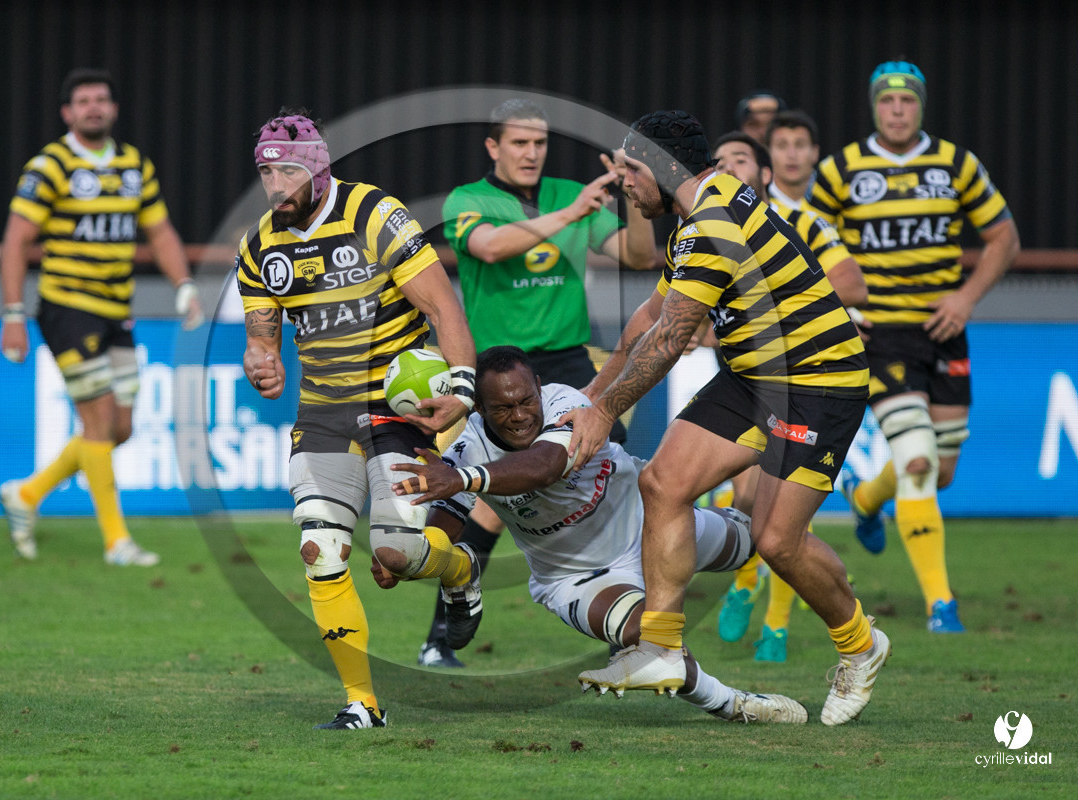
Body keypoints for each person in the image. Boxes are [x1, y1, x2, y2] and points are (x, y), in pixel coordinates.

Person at [564, 109, 890, 726]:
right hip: (754, 377)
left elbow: (669, 339)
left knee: (777, 542)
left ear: (664, 169)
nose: (624, 183)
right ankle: (660, 647)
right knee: (663, 483)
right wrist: (592, 395)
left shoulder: (713, 222)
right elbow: (649, 319)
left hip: (817, 382)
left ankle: (860, 645)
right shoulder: (696, 218)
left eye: (632, 170)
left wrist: (604, 413)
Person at [377, 346, 807, 723]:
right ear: (480, 410)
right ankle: (734, 705)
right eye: (503, 409)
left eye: (526, 400)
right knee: (649, 638)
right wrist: (413, 558)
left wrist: (462, 478)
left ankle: (839, 628)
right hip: (576, 578)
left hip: (654, 524)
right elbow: (445, 525)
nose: (520, 415)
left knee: (763, 541)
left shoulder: (567, 402)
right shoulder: (467, 450)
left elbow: (544, 465)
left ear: (539, 387)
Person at [236, 109, 479, 730]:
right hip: (323, 412)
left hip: (395, 410)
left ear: (318, 170)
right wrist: (261, 363)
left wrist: (462, 387)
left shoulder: (375, 214)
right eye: (267, 173)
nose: (276, 185)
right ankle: (362, 704)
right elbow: (261, 339)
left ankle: (460, 569)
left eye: (289, 172)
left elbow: (442, 306)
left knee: (395, 554)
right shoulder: (259, 246)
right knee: (320, 548)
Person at [418, 99, 657, 667]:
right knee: (484, 501)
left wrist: (634, 194)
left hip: (567, 364)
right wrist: (573, 214)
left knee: (612, 469)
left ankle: (623, 607)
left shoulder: (568, 194)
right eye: (519, 142)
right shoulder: (468, 200)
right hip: (497, 373)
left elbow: (640, 254)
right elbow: (490, 247)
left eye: (540, 143)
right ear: (493, 147)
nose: (531, 153)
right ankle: (440, 634)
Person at [808, 61, 1020, 633]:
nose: (897, 110)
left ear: (920, 106)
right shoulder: (840, 170)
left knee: (941, 471)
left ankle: (866, 500)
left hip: (944, 330)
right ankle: (940, 606)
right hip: (877, 335)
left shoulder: (955, 164)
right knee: (919, 459)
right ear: (874, 106)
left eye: (907, 100)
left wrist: (966, 298)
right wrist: (840, 311)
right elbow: (805, 243)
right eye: (887, 100)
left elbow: (1004, 237)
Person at [0, 68, 203, 566]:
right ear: (67, 113)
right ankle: (117, 542)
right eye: (84, 100)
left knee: (120, 428)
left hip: (117, 312)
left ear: (114, 108)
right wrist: (12, 313)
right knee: (97, 420)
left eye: (101, 99)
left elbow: (160, 232)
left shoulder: (134, 164)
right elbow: (17, 240)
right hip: (67, 307)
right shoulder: (51, 165)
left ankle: (26, 494)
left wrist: (184, 285)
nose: (94, 107)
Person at [709, 131, 868, 662]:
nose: (728, 168)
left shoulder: (800, 222)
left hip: (801, 381)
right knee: (748, 500)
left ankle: (775, 627)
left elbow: (852, 285)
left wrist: (789, 308)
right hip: (743, 383)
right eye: (720, 161)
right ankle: (744, 583)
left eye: (740, 160)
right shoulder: (709, 230)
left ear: (764, 176)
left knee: (783, 514)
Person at [764, 109, 825, 213]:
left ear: (815, 152)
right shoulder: (757, 201)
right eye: (782, 146)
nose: (792, 155)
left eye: (800, 145)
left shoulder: (835, 196)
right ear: (768, 153)